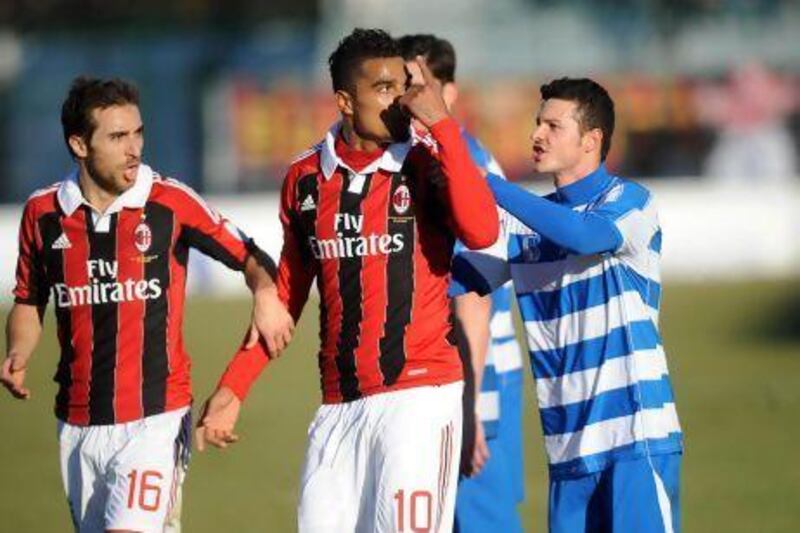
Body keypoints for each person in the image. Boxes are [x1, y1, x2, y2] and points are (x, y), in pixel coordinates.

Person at [195, 28, 499, 532]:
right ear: (344, 100)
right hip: (339, 407)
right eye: (383, 88)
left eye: (402, 86)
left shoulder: (425, 161)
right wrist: (234, 387)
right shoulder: (305, 179)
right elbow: (289, 290)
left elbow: (483, 230)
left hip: (420, 399)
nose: (399, 100)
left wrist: (443, 126)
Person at [0, 76, 294, 533]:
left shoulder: (169, 203)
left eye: (138, 133)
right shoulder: (42, 214)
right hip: (76, 423)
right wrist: (19, 352)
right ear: (79, 144)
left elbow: (250, 255)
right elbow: (28, 300)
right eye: (117, 137)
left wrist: (264, 292)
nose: (134, 148)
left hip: (156, 419)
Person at [455, 78, 683, 532]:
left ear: (591, 140)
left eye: (553, 126)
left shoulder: (629, 202)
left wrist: (491, 187)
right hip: (567, 451)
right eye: (538, 123)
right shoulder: (522, 229)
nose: (537, 134)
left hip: (634, 441)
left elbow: (582, 236)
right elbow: (459, 285)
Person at [398, 33, 525, 533]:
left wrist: (472, 405)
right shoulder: (430, 156)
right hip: (451, 372)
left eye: (415, 84)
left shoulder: (457, 164)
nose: (403, 97)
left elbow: (475, 294)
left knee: (479, 517)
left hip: (477, 371)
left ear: (448, 92)